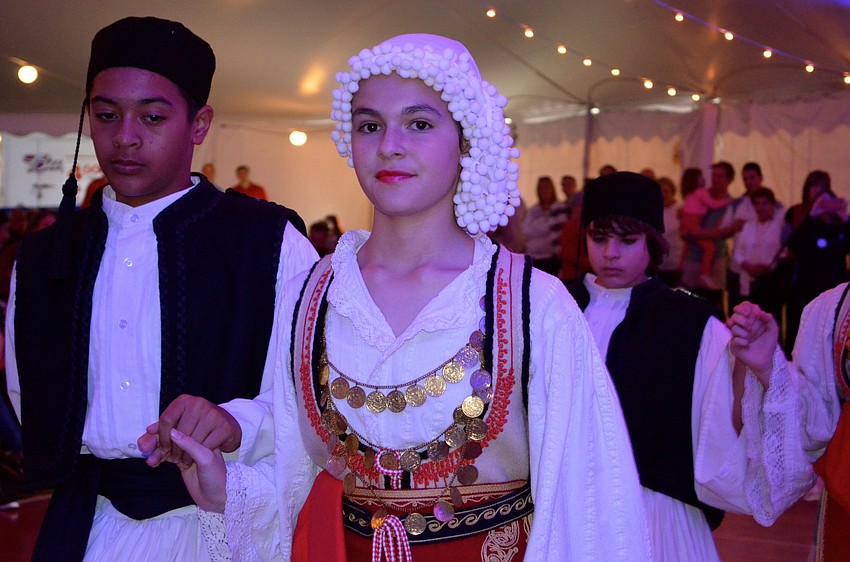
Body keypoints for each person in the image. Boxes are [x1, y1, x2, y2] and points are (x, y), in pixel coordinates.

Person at [155, 33, 652, 561]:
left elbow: (587, 497)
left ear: (465, 141)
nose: (390, 145)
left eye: (419, 124)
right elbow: (291, 464)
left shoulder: (533, 303)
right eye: (370, 125)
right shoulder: (315, 295)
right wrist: (226, 473)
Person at [5, 16, 317, 561]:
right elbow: (24, 391)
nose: (125, 137)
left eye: (152, 117)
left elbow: (312, 400)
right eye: (105, 116)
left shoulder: (268, 243)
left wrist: (237, 421)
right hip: (87, 526)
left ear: (199, 124)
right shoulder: (44, 257)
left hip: (220, 525)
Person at [567, 172, 812, 561]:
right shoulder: (555, 310)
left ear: (654, 243)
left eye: (627, 240)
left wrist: (756, 367)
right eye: (599, 238)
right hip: (564, 509)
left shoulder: (691, 322)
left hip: (657, 516)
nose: (611, 252)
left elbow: (725, 424)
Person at [783, 170, 850, 350]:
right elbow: (793, 244)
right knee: (803, 336)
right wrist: (812, 216)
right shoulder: (800, 214)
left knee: (831, 336)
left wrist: (845, 219)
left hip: (834, 286)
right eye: (814, 186)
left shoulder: (838, 222)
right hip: (806, 288)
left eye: (822, 186)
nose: (818, 191)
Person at [680, 163, 743, 307]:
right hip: (693, 257)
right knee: (689, 303)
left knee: (714, 304)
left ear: (730, 179)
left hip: (715, 260)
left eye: (720, 176)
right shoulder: (700, 195)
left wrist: (694, 234)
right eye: (713, 175)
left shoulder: (731, 205)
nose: (715, 179)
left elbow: (721, 233)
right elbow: (684, 230)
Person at [726, 162, 785, 315]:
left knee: (770, 317)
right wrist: (747, 265)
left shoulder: (780, 222)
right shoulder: (748, 223)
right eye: (757, 204)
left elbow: (782, 249)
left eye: (765, 203)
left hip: (771, 277)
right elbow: (738, 250)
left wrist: (767, 266)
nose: (761, 207)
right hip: (747, 275)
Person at [523, 176, 563, 275]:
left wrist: (537, 226)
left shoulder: (559, 208)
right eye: (541, 188)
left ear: (552, 189)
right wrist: (547, 227)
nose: (544, 191)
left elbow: (559, 230)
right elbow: (526, 230)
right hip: (534, 258)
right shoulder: (533, 210)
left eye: (546, 188)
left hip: (552, 259)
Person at [657, 176, 683, 288]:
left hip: (677, 262)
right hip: (658, 264)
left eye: (666, 191)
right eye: (660, 192)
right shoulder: (655, 210)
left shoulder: (681, 209)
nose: (663, 194)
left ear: (672, 191)